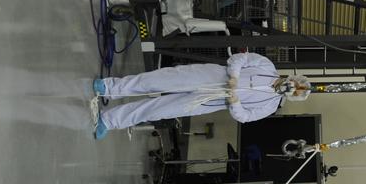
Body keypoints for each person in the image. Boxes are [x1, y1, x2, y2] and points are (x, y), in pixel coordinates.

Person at [90, 53, 308, 138]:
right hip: (211, 76)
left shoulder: (270, 106)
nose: (291, 87)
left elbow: (245, 117)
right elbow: (241, 58)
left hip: (211, 101)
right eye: (296, 84)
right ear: (293, 78)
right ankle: (109, 88)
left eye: (295, 91)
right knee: (155, 81)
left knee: (159, 109)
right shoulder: (266, 66)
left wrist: (234, 103)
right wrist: (234, 76)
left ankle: (109, 120)